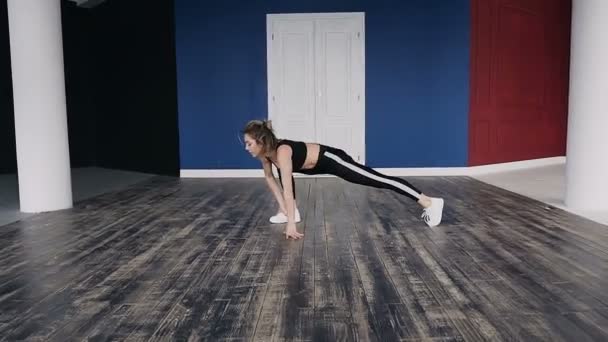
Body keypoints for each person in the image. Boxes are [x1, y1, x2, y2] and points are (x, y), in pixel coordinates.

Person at [242, 119, 444, 240]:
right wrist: (285, 210)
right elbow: (270, 179)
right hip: (313, 166)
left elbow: (287, 187)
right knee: (281, 179)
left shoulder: (282, 151)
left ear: (261, 141)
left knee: (377, 179)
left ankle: (429, 202)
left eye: (249, 144)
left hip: (331, 159)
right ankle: (289, 212)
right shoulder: (265, 155)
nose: (247, 148)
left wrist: (291, 227)